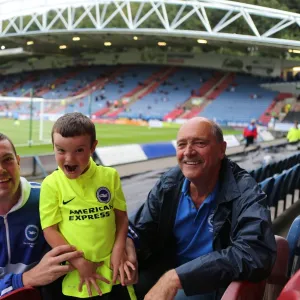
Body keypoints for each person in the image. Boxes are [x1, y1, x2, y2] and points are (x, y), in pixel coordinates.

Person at [126, 117, 276, 300]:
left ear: (222, 150)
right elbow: (144, 229)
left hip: (213, 282)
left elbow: (256, 253)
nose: (188, 152)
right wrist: (128, 242)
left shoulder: (245, 191)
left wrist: (176, 278)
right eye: (181, 145)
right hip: (168, 269)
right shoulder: (168, 184)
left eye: (200, 143)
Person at [39, 112, 135, 299]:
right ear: (53, 147)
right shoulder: (51, 184)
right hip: (77, 274)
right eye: (61, 150)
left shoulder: (109, 176)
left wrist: (118, 250)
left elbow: (121, 217)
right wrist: (79, 262)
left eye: (79, 150)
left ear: (93, 147)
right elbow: (50, 230)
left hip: (112, 269)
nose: (69, 159)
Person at [0, 133, 83, 297]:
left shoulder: (50, 199)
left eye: (7, 159)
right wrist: (24, 279)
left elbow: (97, 225)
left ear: (18, 161)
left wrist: (126, 240)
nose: (1, 170)